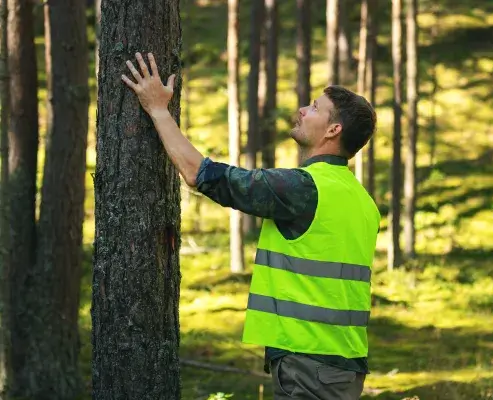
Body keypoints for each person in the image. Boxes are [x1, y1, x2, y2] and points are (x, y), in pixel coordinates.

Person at [122, 52, 380, 400]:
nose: (303, 109)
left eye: (315, 108)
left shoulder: (305, 189)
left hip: (309, 367)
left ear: (334, 130)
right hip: (342, 366)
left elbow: (201, 174)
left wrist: (157, 110)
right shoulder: (361, 200)